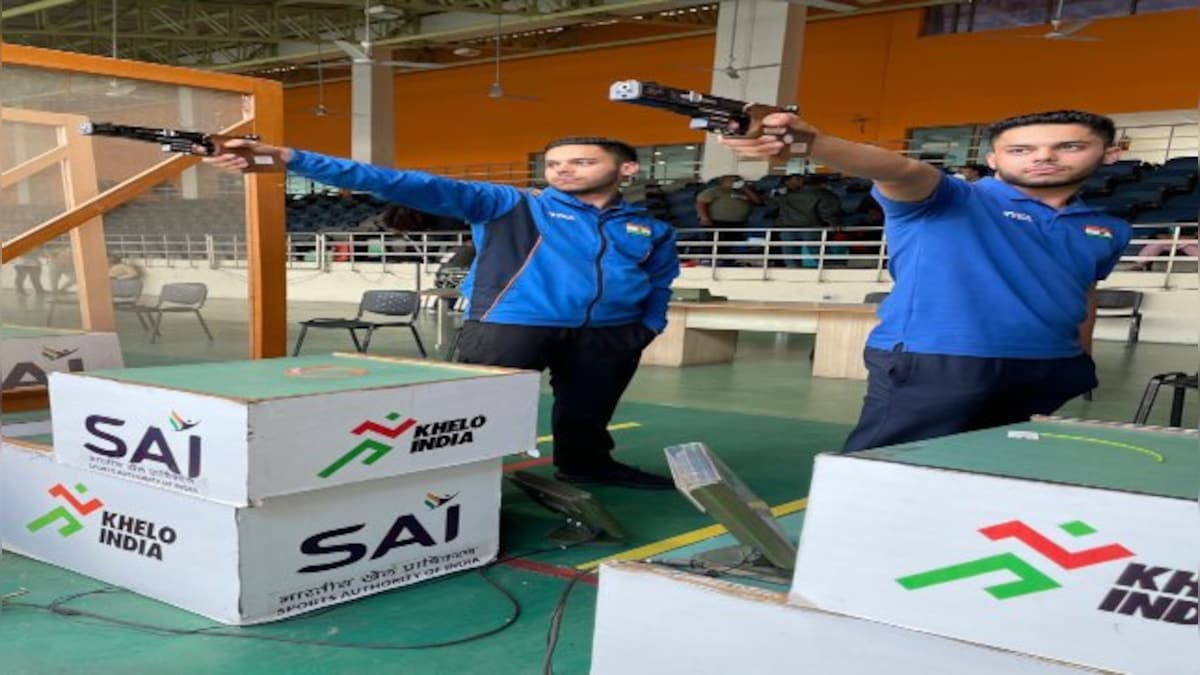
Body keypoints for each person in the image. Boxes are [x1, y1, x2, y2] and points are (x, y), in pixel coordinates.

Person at [205, 136, 680, 489]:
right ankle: (463, 482)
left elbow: (659, 280)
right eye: (554, 163)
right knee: (476, 413)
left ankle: (587, 465)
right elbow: (403, 183)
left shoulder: (647, 227)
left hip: (610, 333)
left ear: (627, 169)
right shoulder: (511, 204)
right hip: (510, 325)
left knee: (589, 411)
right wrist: (292, 159)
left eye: (581, 161)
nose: (563, 170)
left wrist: (647, 325)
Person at [720, 110, 1132, 453]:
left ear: (1110, 152)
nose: (1044, 157)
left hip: (1049, 364)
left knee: (990, 465)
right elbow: (901, 169)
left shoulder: (1108, 228)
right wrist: (815, 143)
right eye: (1021, 149)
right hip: (939, 359)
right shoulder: (952, 198)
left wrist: (1081, 357)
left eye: (1069, 146)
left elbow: (1083, 289)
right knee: (885, 469)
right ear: (993, 160)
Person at [769, 174, 841, 268]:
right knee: (822, 257)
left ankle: (794, 278)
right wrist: (834, 222)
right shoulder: (823, 194)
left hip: (788, 229)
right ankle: (832, 275)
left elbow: (771, 204)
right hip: (811, 228)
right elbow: (828, 211)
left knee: (791, 259)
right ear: (822, 183)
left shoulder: (787, 195)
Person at [695, 175, 763, 265]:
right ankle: (709, 260)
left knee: (730, 243)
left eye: (738, 180)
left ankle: (725, 260)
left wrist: (746, 189)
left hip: (738, 223)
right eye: (733, 180)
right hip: (718, 221)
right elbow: (701, 202)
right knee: (715, 242)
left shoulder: (743, 192)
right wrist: (704, 217)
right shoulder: (715, 191)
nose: (736, 181)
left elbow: (758, 201)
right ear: (724, 181)